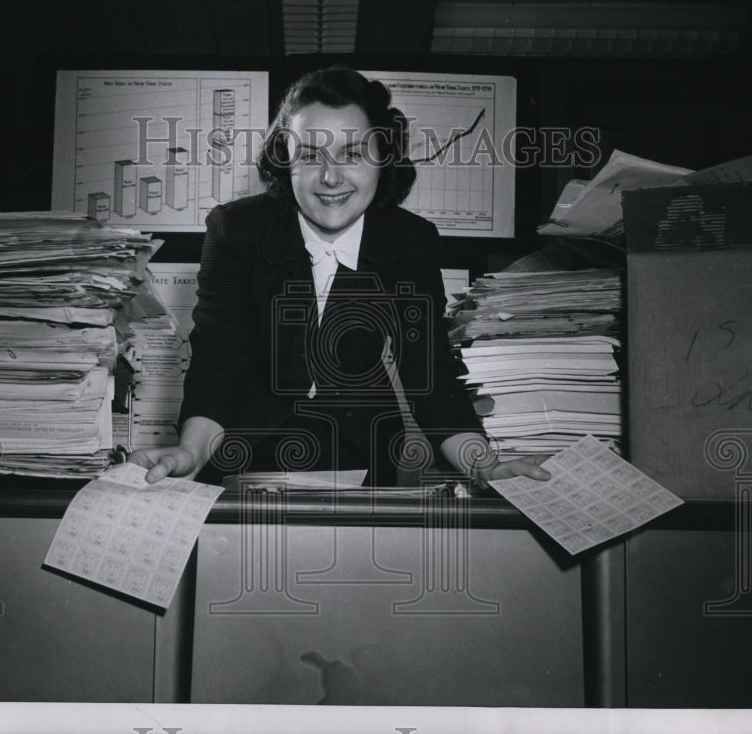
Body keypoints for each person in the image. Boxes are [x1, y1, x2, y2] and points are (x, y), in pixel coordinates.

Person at [129, 65, 550, 488]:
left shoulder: (409, 240)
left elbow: (429, 371)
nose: (330, 178)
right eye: (310, 155)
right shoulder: (238, 229)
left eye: (352, 153)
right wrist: (192, 451)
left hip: (362, 462)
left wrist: (483, 465)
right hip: (242, 459)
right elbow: (219, 358)